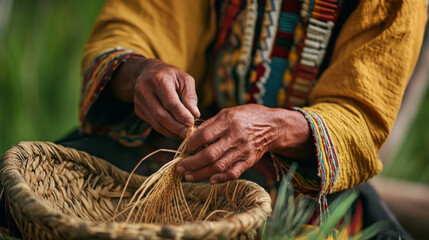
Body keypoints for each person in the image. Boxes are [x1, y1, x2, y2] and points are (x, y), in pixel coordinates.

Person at [60, 0, 427, 238]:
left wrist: (272, 129)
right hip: (177, 154)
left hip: (306, 186)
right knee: (42, 191)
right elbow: (137, 23)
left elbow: (360, 117)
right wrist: (141, 71)